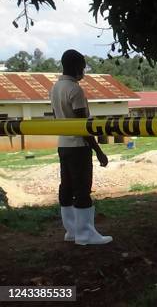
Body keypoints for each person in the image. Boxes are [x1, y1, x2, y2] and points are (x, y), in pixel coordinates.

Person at [50, 49, 112, 245]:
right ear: (76, 67)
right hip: (78, 146)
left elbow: (56, 117)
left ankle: (72, 231)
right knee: (83, 188)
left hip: (63, 145)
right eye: (83, 67)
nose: (84, 71)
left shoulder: (55, 88)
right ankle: (85, 235)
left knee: (66, 187)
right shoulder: (75, 89)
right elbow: (82, 125)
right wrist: (98, 150)